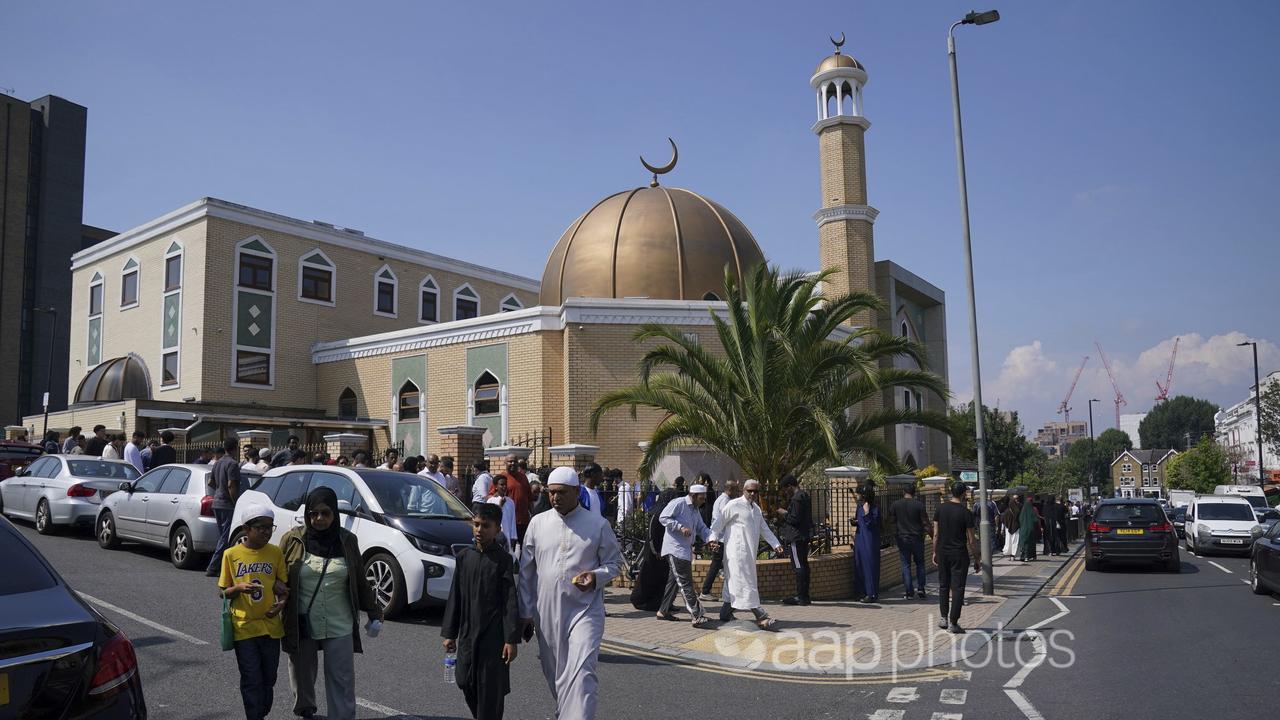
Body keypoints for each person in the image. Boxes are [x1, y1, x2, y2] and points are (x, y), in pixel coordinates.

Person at [518, 467, 622, 720]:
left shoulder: (597, 525)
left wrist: (595, 577)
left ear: (576, 491)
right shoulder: (538, 523)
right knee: (555, 672)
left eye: (562, 492)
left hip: (585, 610)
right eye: (551, 493)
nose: (555, 498)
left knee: (583, 671)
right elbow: (526, 572)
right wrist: (525, 612)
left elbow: (614, 564)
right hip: (547, 611)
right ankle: (566, 713)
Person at [280, 486, 383, 720]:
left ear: (334, 514)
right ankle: (305, 709)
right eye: (313, 514)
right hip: (303, 620)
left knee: (342, 678)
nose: (319, 519)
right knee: (302, 673)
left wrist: (375, 612)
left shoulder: (347, 541)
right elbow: (276, 574)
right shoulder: (293, 540)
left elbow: (359, 580)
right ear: (307, 515)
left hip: (339, 622)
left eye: (325, 513)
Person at [442, 503, 521, 720]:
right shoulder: (464, 557)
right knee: (464, 680)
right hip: (468, 633)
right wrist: (450, 633)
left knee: (490, 692)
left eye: (485, 526)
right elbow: (455, 596)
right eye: (476, 524)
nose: (479, 530)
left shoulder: (503, 560)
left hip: (492, 637)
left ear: (497, 529)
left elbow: (509, 601)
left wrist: (510, 639)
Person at [217, 501, 289, 720]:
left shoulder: (275, 553)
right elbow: (222, 592)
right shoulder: (231, 554)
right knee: (251, 678)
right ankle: (254, 716)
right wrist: (237, 588)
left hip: (270, 627)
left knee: (269, 677)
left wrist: (282, 601)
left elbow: (284, 588)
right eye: (261, 528)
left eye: (270, 527)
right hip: (244, 626)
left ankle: (260, 711)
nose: (267, 532)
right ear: (247, 529)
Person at [709, 479, 784, 629]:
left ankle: (725, 613)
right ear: (743, 490)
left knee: (735, 584)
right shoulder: (733, 505)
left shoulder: (756, 509)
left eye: (755, 491)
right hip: (735, 553)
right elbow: (718, 524)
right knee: (746, 583)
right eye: (749, 490)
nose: (752, 493)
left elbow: (765, 529)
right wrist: (712, 539)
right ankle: (761, 616)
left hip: (749, 554)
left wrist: (776, 544)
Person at [656, 482, 714, 626]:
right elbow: (663, 517)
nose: (704, 501)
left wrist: (711, 539)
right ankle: (697, 614)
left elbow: (701, 528)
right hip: (675, 549)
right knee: (685, 582)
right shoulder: (678, 503)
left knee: (675, 582)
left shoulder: (695, 510)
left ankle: (663, 611)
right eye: (701, 498)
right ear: (693, 496)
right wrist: (679, 527)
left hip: (685, 550)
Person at [933, 481, 979, 634]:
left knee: (943, 585)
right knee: (958, 588)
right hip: (959, 554)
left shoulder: (940, 509)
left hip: (943, 552)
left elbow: (936, 534)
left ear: (951, 492)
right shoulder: (966, 513)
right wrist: (976, 558)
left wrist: (934, 552)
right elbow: (972, 539)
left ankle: (943, 618)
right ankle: (953, 622)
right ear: (964, 494)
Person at [699, 477, 739, 601]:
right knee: (716, 564)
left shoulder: (722, 499)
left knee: (720, 564)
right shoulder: (725, 502)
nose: (737, 493)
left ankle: (722, 589)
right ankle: (705, 591)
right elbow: (725, 519)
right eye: (736, 490)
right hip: (720, 538)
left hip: (721, 538)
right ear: (730, 490)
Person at [888, 484, 931, 599]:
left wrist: (895, 535)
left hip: (903, 539)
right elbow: (925, 523)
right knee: (920, 564)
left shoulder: (895, 505)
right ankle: (921, 589)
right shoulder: (919, 505)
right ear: (914, 492)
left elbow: (891, 522)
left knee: (906, 565)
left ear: (903, 492)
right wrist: (933, 536)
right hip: (917, 538)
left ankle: (909, 592)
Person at [206, 439, 242, 576]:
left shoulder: (218, 462)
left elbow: (210, 482)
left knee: (223, 536)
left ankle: (222, 566)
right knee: (224, 537)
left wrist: (219, 491)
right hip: (227, 504)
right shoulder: (232, 464)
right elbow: (231, 485)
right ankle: (212, 567)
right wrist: (235, 502)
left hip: (217, 502)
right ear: (235, 449)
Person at [776, 475, 813, 606]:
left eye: (786, 489)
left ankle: (801, 596)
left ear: (790, 486)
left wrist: (783, 513)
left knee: (799, 566)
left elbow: (794, 519)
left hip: (796, 538)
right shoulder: (804, 496)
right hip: (802, 536)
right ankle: (804, 596)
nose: (786, 492)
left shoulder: (797, 498)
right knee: (803, 565)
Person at [851, 484, 881, 603]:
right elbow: (860, 522)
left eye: (859, 494)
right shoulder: (859, 507)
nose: (858, 496)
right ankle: (860, 592)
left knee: (870, 567)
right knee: (859, 566)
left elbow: (873, 524)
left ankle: (871, 593)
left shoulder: (874, 508)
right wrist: (854, 522)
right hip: (859, 540)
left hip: (870, 541)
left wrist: (867, 513)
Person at [486, 474, 518, 556]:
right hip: (495, 537)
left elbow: (513, 521)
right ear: (496, 486)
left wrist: (513, 537)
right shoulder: (491, 501)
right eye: (501, 485)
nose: (504, 487)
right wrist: (500, 506)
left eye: (505, 485)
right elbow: (490, 519)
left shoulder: (510, 502)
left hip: (507, 536)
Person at [503, 454, 532, 541]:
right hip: (509, 520)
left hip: (523, 520)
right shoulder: (501, 478)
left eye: (515, 461)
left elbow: (529, 496)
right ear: (505, 463)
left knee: (524, 545)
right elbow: (491, 496)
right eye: (510, 461)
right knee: (510, 547)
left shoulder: (523, 477)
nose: (512, 463)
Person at [1017, 495, 1039, 562]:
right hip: (1031, 530)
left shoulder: (1023, 511)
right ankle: (1030, 556)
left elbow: (1020, 519)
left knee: (1024, 544)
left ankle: (1024, 556)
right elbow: (1035, 520)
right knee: (1031, 544)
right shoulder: (1032, 510)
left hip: (1023, 530)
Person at [1001, 496, 1022, 560]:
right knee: (1015, 541)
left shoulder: (1007, 511)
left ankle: (1010, 555)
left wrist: (1002, 529)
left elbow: (1003, 521)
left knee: (1009, 541)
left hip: (1008, 529)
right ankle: (1013, 555)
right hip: (1016, 528)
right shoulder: (1018, 510)